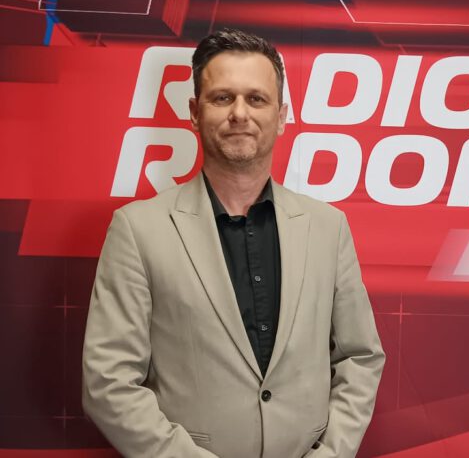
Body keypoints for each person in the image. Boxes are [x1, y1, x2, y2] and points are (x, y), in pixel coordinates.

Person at [81, 28, 385, 458]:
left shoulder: (328, 227)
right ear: (194, 111)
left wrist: (331, 453)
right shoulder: (137, 229)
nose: (239, 113)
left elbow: (361, 357)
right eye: (222, 98)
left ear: (281, 116)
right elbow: (108, 382)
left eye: (256, 99)